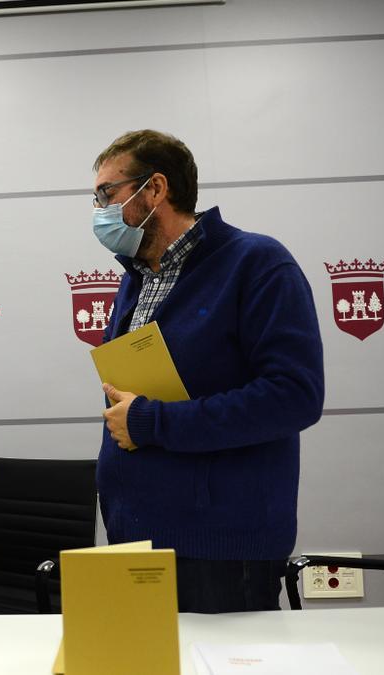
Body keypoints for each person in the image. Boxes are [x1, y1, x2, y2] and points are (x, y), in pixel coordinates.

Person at [90, 130, 324, 614]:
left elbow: (293, 395)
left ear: (155, 189)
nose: (99, 210)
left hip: (221, 548)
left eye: (107, 194)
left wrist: (151, 422)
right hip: (134, 536)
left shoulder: (256, 262)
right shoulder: (135, 279)